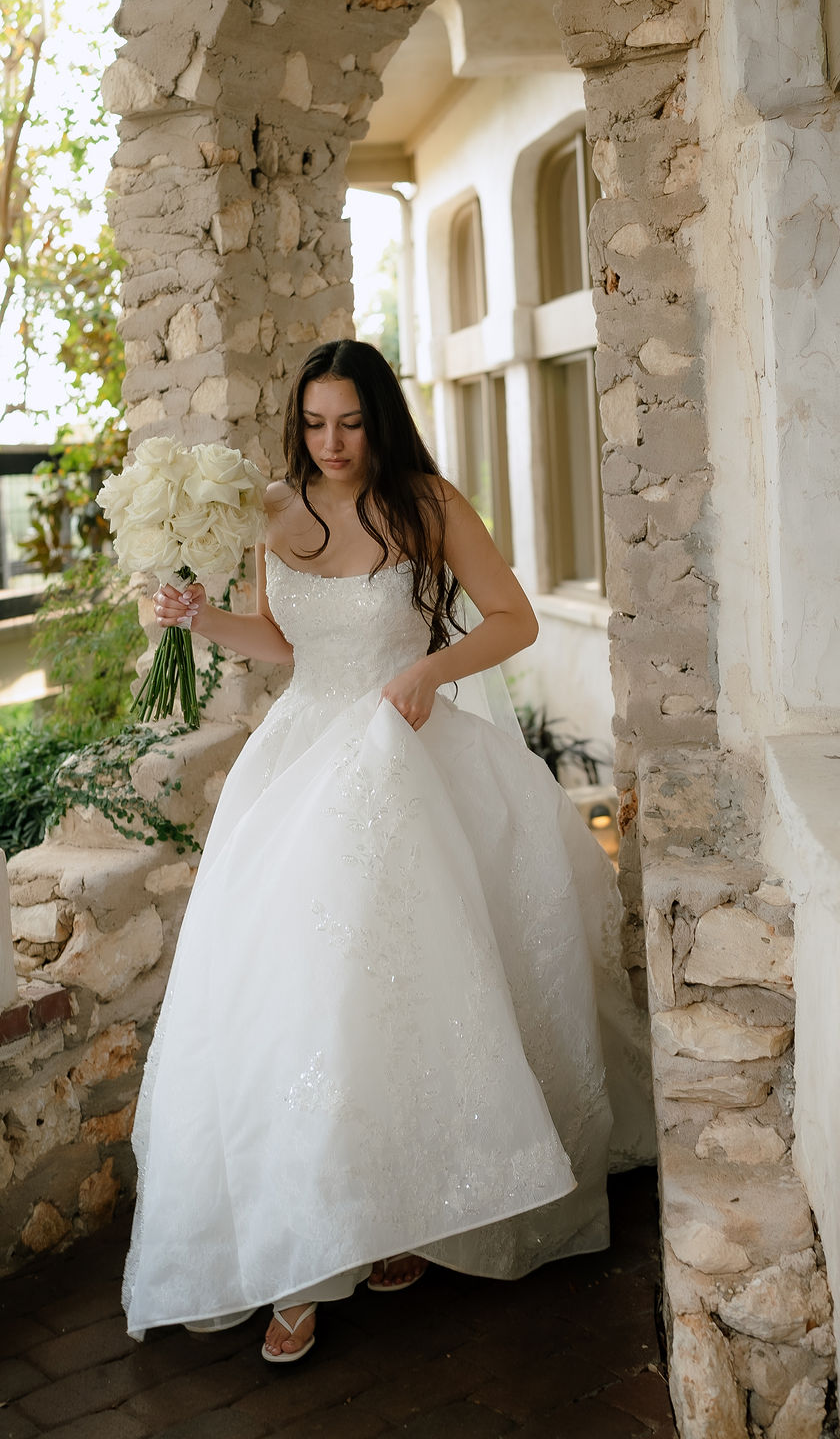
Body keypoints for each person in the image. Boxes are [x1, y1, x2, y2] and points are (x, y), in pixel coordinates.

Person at [121, 339, 654, 1363]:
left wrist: (427, 674)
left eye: (350, 422)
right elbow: (283, 645)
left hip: (403, 749)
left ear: (380, 419)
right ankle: (304, 1252)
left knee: (396, 988)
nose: (331, 443)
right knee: (299, 993)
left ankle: (408, 1214)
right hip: (298, 760)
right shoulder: (272, 511)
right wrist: (203, 618)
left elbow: (513, 621)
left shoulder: (427, 502)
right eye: (315, 424)